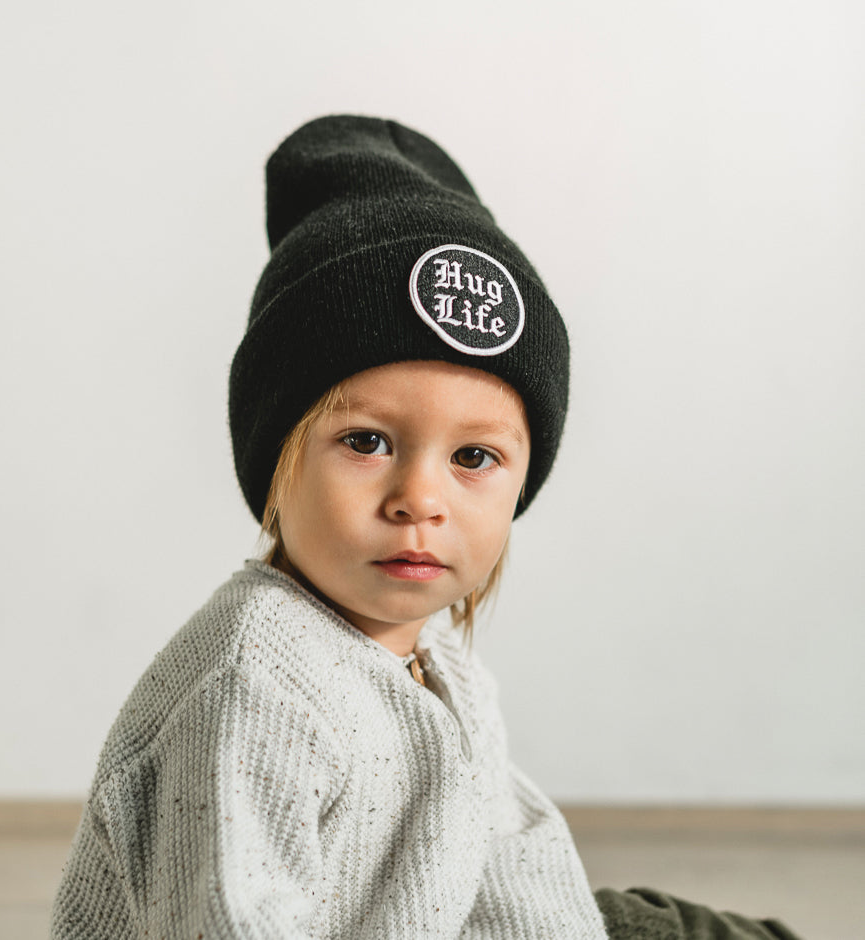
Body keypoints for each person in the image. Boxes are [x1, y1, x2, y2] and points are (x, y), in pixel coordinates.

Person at [51, 115, 802, 939]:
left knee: (669, 927)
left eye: (474, 458)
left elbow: (513, 867)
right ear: (276, 461)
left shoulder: (439, 662)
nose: (420, 498)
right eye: (366, 443)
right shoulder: (249, 687)